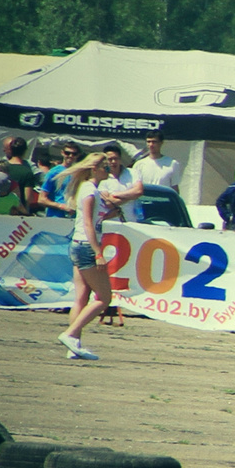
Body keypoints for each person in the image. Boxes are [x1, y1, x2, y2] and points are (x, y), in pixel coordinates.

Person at [57, 152, 143, 361]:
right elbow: (88, 223)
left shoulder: (91, 190)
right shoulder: (89, 190)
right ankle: (70, 334)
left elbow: (98, 216)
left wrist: (113, 206)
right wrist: (98, 252)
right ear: (94, 169)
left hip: (78, 244)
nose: (109, 168)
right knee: (105, 297)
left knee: (82, 297)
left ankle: (73, 344)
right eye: (104, 166)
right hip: (87, 246)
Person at [119, 133, 179, 220]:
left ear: (161, 143)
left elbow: (175, 188)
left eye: (154, 142)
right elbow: (134, 187)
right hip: (144, 206)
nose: (151, 145)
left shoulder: (172, 163)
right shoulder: (139, 164)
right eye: (148, 142)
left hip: (164, 205)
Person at [0, 135, 44, 213]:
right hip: (18, 212)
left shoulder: (0, 168)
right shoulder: (27, 171)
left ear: (11, 150)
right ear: (25, 151)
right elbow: (28, 198)